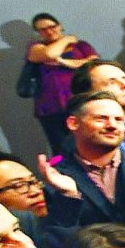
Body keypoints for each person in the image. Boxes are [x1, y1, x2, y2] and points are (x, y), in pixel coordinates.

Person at [42, 91, 125, 230]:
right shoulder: (57, 178)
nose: (112, 125)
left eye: (118, 119)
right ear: (73, 123)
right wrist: (69, 195)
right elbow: (59, 235)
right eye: (101, 119)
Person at [25, 14, 98, 153]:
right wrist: (66, 40)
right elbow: (50, 54)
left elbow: (94, 64)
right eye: (42, 29)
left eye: (52, 27)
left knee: (90, 143)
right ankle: (62, 172)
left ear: (60, 26)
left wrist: (62, 61)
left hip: (82, 103)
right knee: (60, 149)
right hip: (51, 108)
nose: (49, 31)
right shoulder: (35, 47)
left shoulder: (81, 46)